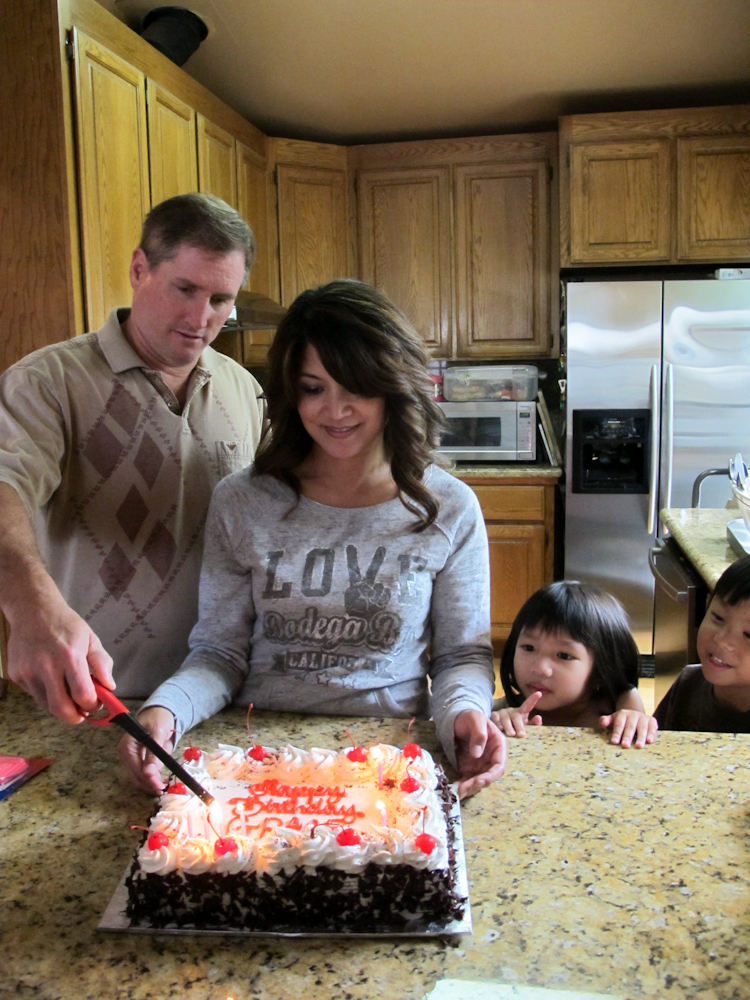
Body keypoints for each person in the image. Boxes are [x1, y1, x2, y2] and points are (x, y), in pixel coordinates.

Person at [121, 279, 506, 799]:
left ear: (392, 386)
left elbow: (461, 656)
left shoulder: (449, 507)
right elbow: (219, 653)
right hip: (255, 754)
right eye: (313, 388)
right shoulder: (242, 501)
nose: (335, 410)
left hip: (390, 757)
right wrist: (167, 708)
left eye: (355, 387)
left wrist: (465, 713)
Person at [0, 194, 265, 724]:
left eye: (221, 299)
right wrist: (29, 606)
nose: (201, 317)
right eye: (185, 289)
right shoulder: (47, 382)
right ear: (140, 268)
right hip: (90, 702)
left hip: (219, 697)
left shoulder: (245, 389)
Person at [492, 581, 658, 748]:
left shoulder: (619, 705)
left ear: (602, 668)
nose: (539, 669)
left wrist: (637, 721)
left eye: (564, 656)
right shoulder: (506, 711)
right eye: (529, 648)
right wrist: (496, 724)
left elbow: (641, 750)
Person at [654, 554, 750, 731]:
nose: (722, 641)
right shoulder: (688, 683)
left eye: (748, 635)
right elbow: (657, 741)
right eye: (718, 617)